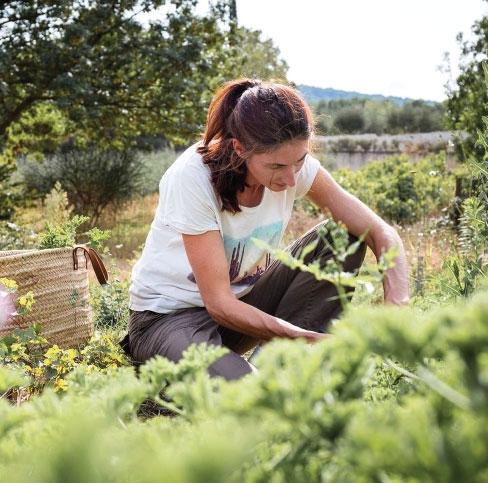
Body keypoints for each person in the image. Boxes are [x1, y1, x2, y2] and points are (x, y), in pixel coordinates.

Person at [124, 78, 409, 381]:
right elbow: (219, 304)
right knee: (253, 398)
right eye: (276, 167)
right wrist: (306, 337)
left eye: (299, 161)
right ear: (240, 148)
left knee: (343, 237)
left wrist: (397, 300)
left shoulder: (292, 164)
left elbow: (379, 231)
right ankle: (263, 372)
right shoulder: (192, 177)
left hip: (241, 311)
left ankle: (278, 366)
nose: (290, 179)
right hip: (170, 319)